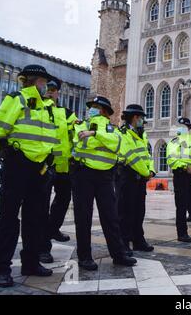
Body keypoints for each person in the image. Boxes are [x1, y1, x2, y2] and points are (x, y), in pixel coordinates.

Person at [0, 65, 59, 287]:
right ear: (35, 81)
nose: (47, 87)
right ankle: (1, 268)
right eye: (45, 83)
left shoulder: (48, 108)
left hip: (39, 169)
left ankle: (31, 263)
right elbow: (0, 128)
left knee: (35, 218)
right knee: (8, 218)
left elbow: (50, 138)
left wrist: (50, 161)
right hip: (17, 164)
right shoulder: (17, 99)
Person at [71, 96, 137, 271]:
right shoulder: (81, 124)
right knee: (83, 217)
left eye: (95, 106)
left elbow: (116, 145)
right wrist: (99, 139)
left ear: (104, 110)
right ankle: (85, 257)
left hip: (105, 176)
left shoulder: (111, 129)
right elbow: (79, 143)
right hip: (83, 174)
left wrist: (94, 134)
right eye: (91, 106)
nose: (91, 109)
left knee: (110, 217)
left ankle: (118, 254)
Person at [39, 77, 77, 264]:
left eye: (53, 89)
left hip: (63, 166)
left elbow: (76, 132)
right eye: (47, 88)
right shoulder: (37, 109)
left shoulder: (67, 113)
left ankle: (53, 228)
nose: (49, 91)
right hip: (44, 164)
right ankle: (43, 247)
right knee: (41, 205)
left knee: (63, 200)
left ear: (57, 92)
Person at [117, 104, 156, 255]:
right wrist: (146, 172)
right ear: (135, 117)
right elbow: (131, 156)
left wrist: (151, 170)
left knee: (139, 211)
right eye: (141, 118)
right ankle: (124, 243)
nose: (142, 121)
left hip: (140, 178)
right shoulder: (124, 133)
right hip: (127, 176)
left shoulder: (141, 134)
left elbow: (147, 155)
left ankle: (138, 240)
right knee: (126, 211)